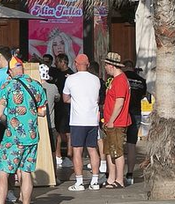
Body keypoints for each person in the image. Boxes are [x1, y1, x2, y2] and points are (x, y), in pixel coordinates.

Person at [0, 57, 47, 204]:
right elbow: (42, 112)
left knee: (3, 173)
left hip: (12, 138)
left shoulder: (7, 86)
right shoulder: (36, 86)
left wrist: (10, 121)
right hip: (31, 137)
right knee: (26, 173)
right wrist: (28, 114)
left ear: (11, 71)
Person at [63, 52, 102, 190]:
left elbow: (65, 98)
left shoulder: (71, 79)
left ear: (75, 64)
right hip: (92, 119)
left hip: (78, 120)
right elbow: (97, 98)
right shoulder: (96, 80)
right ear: (88, 64)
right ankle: (95, 180)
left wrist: (74, 101)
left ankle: (79, 182)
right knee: (93, 150)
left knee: (77, 151)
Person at [101, 53, 131, 188]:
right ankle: (111, 178)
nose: (105, 67)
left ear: (112, 66)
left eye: (106, 65)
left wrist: (112, 120)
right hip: (110, 121)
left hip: (117, 122)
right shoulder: (114, 80)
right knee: (109, 151)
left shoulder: (120, 80)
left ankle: (119, 179)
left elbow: (119, 102)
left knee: (117, 151)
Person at [121, 59, 147, 186]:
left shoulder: (121, 78)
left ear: (124, 67)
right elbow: (143, 96)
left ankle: (116, 174)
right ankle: (130, 174)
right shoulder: (141, 80)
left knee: (118, 143)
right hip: (136, 112)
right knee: (131, 144)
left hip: (122, 113)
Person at [50, 51, 72, 167]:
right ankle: (58, 155)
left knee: (68, 132)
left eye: (58, 62)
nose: (56, 63)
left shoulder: (71, 75)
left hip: (67, 108)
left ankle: (69, 155)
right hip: (57, 108)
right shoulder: (56, 73)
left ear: (63, 62)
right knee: (58, 131)